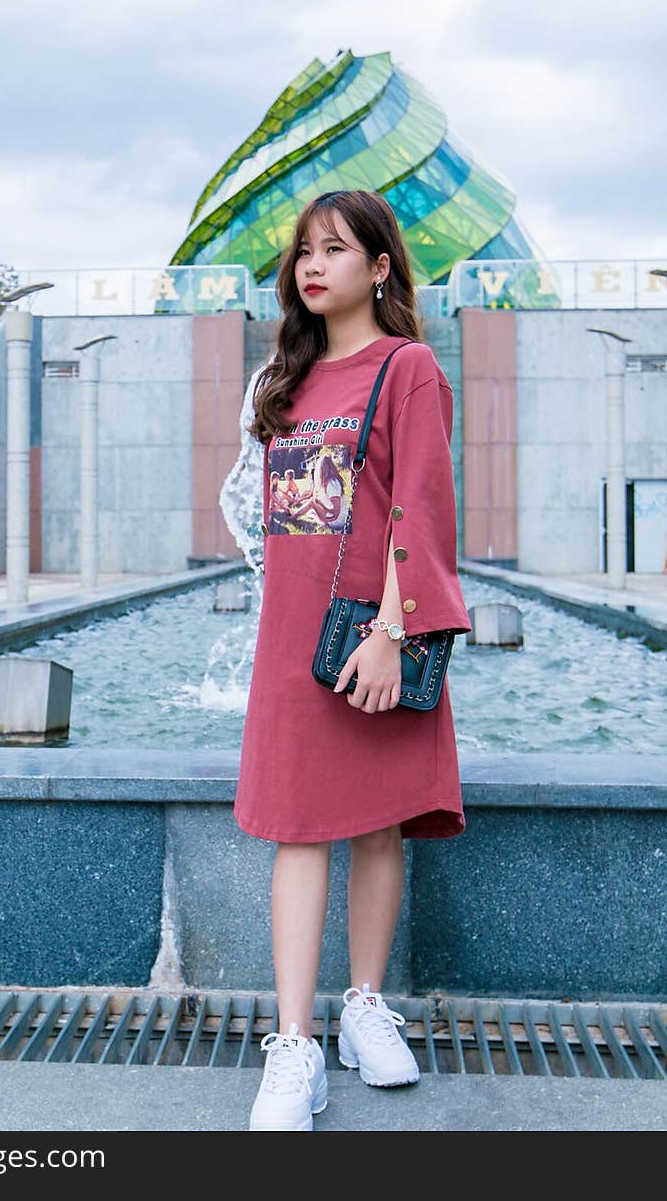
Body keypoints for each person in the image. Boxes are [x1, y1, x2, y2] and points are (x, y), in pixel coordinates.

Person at [233, 189, 472, 1131]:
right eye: (303, 253)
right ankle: (295, 1045)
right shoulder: (282, 384)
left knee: (377, 825)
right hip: (292, 643)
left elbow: (420, 507)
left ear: (380, 267)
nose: (312, 266)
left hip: (375, 637)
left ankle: (365, 1008)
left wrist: (389, 632)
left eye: (335, 250)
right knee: (298, 828)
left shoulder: (409, 368)